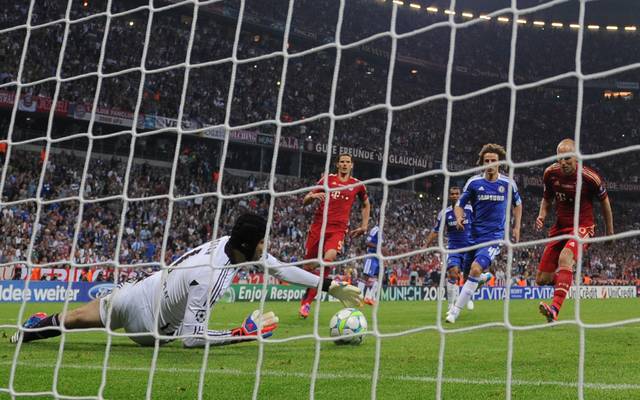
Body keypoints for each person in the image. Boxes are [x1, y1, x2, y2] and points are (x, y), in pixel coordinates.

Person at [10, 214, 363, 347]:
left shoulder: (230, 246)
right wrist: (242, 333)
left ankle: (30, 330)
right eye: (261, 242)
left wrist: (329, 285)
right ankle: (29, 333)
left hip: (138, 293)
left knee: (74, 319)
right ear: (247, 245)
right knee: (74, 321)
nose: (265, 248)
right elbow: (192, 340)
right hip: (151, 330)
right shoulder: (208, 277)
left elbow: (282, 269)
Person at [536, 139, 614, 322]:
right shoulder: (550, 173)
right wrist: (541, 215)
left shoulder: (589, 177)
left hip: (583, 226)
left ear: (577, 157)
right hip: (559, 228)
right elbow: (546, 199)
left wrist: (610, 232)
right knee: (541, 279)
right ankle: (566, 281)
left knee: (565, 258)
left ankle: (554, 310)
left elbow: (605, 203)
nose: (563, 163)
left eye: (568, 159)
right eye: (560, 158)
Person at [446, 144, 522, 324]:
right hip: (473, 236)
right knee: (467, 276)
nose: (490, 164)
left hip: (494, 237)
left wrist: (516, 227)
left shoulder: (508, 184)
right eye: (486, 161)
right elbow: (459, 205)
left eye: (493, 161)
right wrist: (458, 218)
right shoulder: (473, 183)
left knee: (475, 268)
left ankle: (454, 311)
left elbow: (517, 204)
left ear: (500, 163)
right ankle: (481, 280)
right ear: (482, 163)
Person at [299, 153, 370, 318]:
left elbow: (366, 204)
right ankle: (310, 284)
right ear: (337, 164)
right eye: (342, 162)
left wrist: (364, 225)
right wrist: (313, 196)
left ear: (352, 165)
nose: (345, 165)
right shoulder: (327, 180)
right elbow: (305, 200)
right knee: (308, 268)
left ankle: (307, 302)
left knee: (329, 258)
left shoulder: (358, 185)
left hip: (338, 229)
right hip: (318, 227)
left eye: (348, 162)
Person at [425, 186, 475, 312]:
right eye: (452, 194)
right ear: (449, 196)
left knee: (470, 276)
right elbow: (436, 231)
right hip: (453, 248)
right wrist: (426, 245)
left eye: (457, 194)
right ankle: (450, 306)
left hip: (469, 248)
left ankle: (468, 297)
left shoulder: (470, 209)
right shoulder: (445, 213)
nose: (454, 196)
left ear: (461, 195)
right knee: (452, 273)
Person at [358, 225, 380, 305]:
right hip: (371, 256)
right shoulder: (375, 229)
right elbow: (367, 242)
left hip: (378, 257)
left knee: (377, 277)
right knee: (365, 276)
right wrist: (379, 247)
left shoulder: (382, 231)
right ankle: (358, 298)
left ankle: (370, 297)